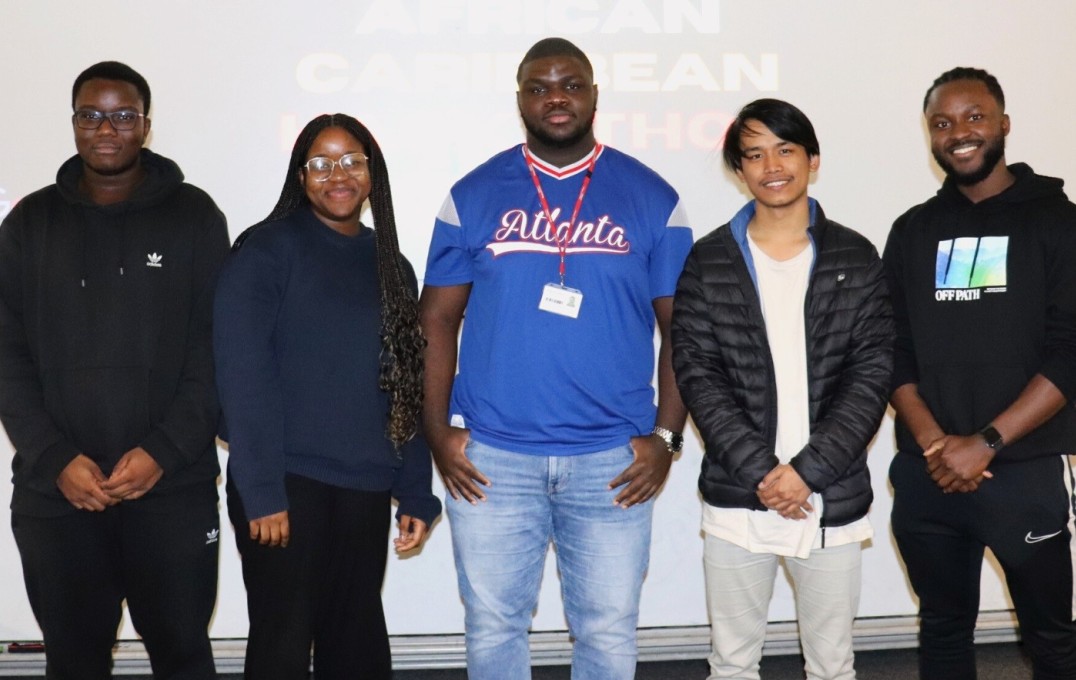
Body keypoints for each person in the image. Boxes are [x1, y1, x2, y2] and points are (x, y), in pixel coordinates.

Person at [419, 36, 692, 679]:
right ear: (520, 101)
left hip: (613, 461)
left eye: (569, 84)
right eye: (539, 88)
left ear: (595, 95)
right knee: (494, 629)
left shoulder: (653, 197)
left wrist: (666, 437)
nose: (555, 98)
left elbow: (683, 329)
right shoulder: (473, 194)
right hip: (492, 459)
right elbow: (435, 319)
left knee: (606, 633)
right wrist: (436, 433)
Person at [0, 61, 228, 679]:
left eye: (123, 116)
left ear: (146, 126)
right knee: (73, 662)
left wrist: (161, 450)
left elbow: (214, 352)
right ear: (73, 123)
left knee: (183, 654)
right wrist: (55, 459)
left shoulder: (195, 217)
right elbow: (6, 357)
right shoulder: (28, 224)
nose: (107, 129)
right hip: (59, 495)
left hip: (171, 489)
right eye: (91, 115)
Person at [214, 113, 441, 680]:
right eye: (320, 163)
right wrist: (261, 489)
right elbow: (243, 374)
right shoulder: (266, 250)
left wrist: (415, 488)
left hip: (363, 486)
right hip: (284, 488)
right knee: (282, 647)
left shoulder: (392, 266)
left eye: (351, 161)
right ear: (300, 175)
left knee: (357, 646)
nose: (336, 174)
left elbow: (404, 382)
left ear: (372, 174)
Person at [671, 99, 892, 680]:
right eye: (754, 153)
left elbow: (870, 375)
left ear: (812, 160)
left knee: (832, 665)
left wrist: (807, 473)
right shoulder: (709, 260)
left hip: (829, 496)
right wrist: (765, 474)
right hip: (740, 498)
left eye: (785, 149)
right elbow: (697, 372)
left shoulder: (855, 255)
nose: (772, 164)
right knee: (733, 664)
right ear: (739, 170)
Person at [884, 67, 1076, 679]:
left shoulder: (1058, 222)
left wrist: (986, 443)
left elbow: (1071, 351)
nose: (958, 133)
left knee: (1052, 641)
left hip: (1023, 472)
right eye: (942, 123)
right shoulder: (913, 229)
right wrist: (937, 445)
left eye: (973, 117)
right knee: (942, 633)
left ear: (1003, 125)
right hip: (928, 477)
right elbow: (892, 349)